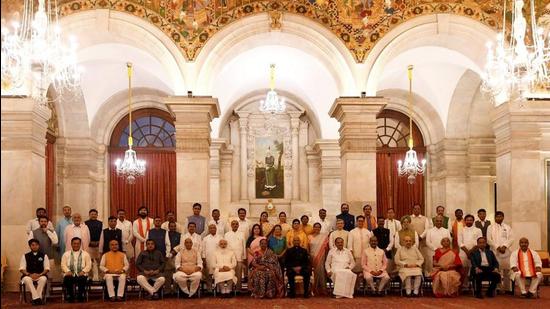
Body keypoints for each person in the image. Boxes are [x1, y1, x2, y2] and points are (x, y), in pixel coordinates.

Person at [487, 211, 514, 293]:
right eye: (497, 216)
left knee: (507, 270)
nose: (499, 218)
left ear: (503, 217)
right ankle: (498, 288)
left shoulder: (507, 227)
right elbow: (488, 239)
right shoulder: (490, 227)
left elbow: (511, 238)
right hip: (495, 252)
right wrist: (498, 247)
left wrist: (504, 246)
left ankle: (507, 288)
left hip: (506, 251)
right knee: (497, 270)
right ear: (495, 218)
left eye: (500, 216)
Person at [61, 237, 92, 303]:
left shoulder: (85, 254)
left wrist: (83, 271)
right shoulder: (66, 254)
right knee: (68, 278)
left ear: (80, 244)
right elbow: (63, 265)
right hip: (70, 274)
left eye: (78, 244)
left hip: (82, 274)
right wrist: (67, 271)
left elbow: (89, 265)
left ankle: (80, 296)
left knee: (82, 278)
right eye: (74, 243)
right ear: (71, 244)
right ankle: (71, 296)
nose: (76, 245)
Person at [19, 239, 50, 305]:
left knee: (43, 279)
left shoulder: (44, 256)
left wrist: (40, 274)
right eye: (32, 245)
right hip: (28, 275)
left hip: (40, 275)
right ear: (30, 246)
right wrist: (29, 274)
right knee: (27, 279)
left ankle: (35, 299)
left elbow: (47, 269)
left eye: (36, 245)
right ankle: (37, 299)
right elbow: (22, 269)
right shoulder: (25, 256)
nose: (34, 246)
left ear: (38, 246)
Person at [458, 214, 482, 288]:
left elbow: (479, 242)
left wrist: (471, 251)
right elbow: (460, 242)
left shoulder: (478, 230)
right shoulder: (461, 230)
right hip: (463, 252)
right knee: (464, 269)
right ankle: (464, 285)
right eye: (467, 220)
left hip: (475, 252)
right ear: (465, 221)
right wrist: (467, 252)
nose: (469, 221)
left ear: (473, 221)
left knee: (473, 268)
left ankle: (474, 286)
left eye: (471, 220)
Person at [347, 216, 372, 280]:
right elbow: (349, 246)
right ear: (356, 222)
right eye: (359, 221)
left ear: (364, 222)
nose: (360, 222)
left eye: (362, 221)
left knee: (366, 273)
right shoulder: (352, 232)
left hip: (366, 257)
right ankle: (356, 289)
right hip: (356, 257)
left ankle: (365, 288)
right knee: (356, 274)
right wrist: (352, 257)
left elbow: (371, 245)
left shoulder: (368, 232)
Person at [410, 204, 432, 275]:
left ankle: (423, 273)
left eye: (418, 209)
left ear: (420, 210)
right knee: (413, 258)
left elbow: (427, 229)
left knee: (422, 257)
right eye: (415, 208)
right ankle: (413, 273)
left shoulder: (425, 219)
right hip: (411, 242)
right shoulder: (409, 218)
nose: (417, 210)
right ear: (413, 209)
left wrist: (421, 237)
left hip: (422, 242)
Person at [225, 220, 246, 292]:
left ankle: (238, 289)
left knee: (238, 274)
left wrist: (244, 257)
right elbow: (225, 246)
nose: (235, 225)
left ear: (238, 225)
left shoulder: (242, 234)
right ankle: (230, 289)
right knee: (230, 274)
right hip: (229, 257)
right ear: (231, 225)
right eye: (233, 224)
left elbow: (244, 246)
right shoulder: (227, 234)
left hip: (239, 257)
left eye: (236, 224)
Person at [308, 223, 329, 296]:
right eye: (315, 227)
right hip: (312, 257)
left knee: (321, 272)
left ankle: (323, 289)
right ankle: (314, 290)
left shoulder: (324, 237)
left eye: (318, 227)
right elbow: (308, 247)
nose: (317, 228)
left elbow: (326, 248)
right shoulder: (309, 237)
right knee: (314, 273)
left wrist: (326, 257)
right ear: (313, 228)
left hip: (321, 256)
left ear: (320, 228)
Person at [202, 224, 222, 292]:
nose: (213, 229)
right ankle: (209, 289)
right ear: (209, 230)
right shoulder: (205, 239)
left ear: (216, 229)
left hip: (218, 259)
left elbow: (222, 248)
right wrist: (204, 259)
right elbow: (203, 250)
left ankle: (218, 289)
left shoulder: (220, 238)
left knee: (217, 274)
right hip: (208, 259)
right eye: (211, 228)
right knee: (208, 275)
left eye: (214, 228)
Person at [85, 209, 103, 280]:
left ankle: (100, 277)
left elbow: (102, 234)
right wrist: (89, 242)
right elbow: (85, 235)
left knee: (100, 263)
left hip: (98, 246)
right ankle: (90, 277)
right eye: (92, 214)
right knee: (89, 262)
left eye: (95, 214)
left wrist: (99, 242)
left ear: (97, 215)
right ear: (89, 215)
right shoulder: (85, 223)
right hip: (89, 246)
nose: (93, 215)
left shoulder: (100, 223)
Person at [165, 221, 181, 293]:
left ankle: (175, 290)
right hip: (167, 256)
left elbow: (181, 245)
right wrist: (168, 253)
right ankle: (167, 290)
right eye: (171, 226)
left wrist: (174, 251)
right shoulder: (165, 234)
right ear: (168, 227)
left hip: (177, 256)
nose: (173, 227)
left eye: (174, 226)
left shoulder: (179, 235)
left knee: (176, 273)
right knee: (168, 274)